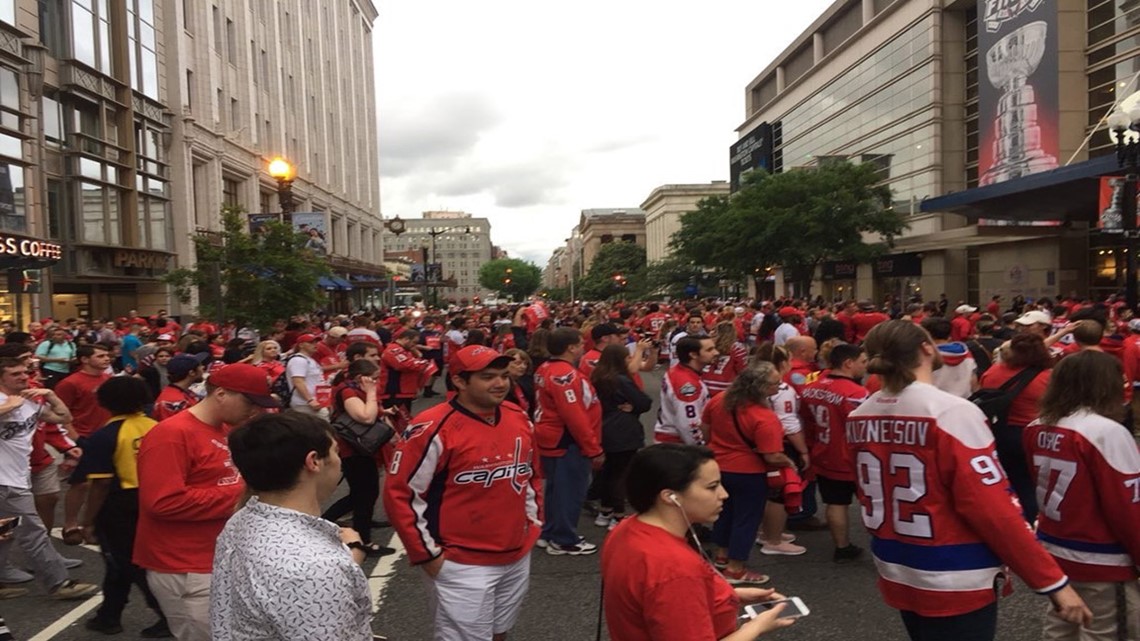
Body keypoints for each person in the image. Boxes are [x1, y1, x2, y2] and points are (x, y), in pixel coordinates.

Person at [847, 320, 1092, 640]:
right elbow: (992, 507)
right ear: (925, 349)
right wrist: (1052, 582)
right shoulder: (950, 412)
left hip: (897, 562)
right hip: (955, 570)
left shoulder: (859, 416)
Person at [384, 345, 542, 641]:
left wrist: (533, 522)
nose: (500, 383)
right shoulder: (432, 426)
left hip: (516, 552)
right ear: (459, 381)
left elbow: (531, 474)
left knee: (500, 632)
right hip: (460, 561)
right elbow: (400, 494)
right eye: (488, 377)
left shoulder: (516, 415)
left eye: (504, 376)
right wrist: (428, 555)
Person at [134, 363, 278, 641]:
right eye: (250, 402)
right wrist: (245, 494)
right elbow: (163, 502)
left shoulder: (225, 428)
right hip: (186, 565)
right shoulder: (171, 434)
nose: (256, 410)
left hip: (217, 557)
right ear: (221, 394)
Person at [600, 444, 796, 641]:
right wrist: (756, 627)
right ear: (670, 496)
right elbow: (672, 586)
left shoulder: (625, 528)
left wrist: (725, 596)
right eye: (712, 487)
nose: (723, 494)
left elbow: (655, 597)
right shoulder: (676, 568)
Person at [211, 412, 372, 640]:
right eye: (336, 451)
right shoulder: (317, 569)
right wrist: (348, 558)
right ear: (313, 461)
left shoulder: (241, 520)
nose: (340, 460)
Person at [1024, 350, 1140, 640]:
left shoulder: (1035, 427)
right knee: (1109, 632)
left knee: (1061, 627)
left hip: (1054, 545)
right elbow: (1127, 507)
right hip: (1103, 558)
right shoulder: (1106, 432)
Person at [73, 376, 170, 637]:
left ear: (104, 402)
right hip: (155, 498)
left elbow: (100, 484)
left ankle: (167, 614)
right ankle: (109, 615)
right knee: (123, 563)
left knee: (126, 562)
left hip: (121, 505)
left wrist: (87, 520)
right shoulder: (156, 426)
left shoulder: (106, 435)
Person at [0, 357, 98, 600]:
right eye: (16, 374)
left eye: (25, 372)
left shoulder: (29, 401)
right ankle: (59, 583)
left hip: (17, 478)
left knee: (5, 532)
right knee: (32, 531)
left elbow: (63, 418)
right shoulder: (7, 402)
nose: (24, 377)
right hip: (5, 481)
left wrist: (51, 395)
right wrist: (9, 406)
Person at [702, 365, 790, 584]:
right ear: (760, 388)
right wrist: (791, 463)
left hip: (718, 466)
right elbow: (772, 456)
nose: (778, 387)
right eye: (774, 384)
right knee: (746, 520)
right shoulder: (764, 417)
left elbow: (705, 429)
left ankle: (722, 555)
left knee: (724, 514)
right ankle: (736, 568)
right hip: (749, 473)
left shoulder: (719, 399)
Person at [533, 327, 603, 556]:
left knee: (555, 489)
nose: (583, 347)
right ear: (570, 348)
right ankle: (564, 539)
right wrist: (592, 448)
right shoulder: (564, 375)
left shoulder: (545, 368)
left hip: (552, 437)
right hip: (566, 440)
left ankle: (550, 531)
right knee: (569, 491)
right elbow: (574, 415)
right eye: (580, 344)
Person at [798, 343, 869, 562]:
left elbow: (805, 419)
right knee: (871, 503)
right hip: (852, 458)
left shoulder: (811, 385)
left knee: (835, 503)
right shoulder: (857, 393)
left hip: (823, 452)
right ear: (849, 363)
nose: (865, 367)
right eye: (863, 362)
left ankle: (842, 546)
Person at [319, 359, 392, 556]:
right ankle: (363, 541)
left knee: (362, 494)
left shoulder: (351, 388)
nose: (377, 382)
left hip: (361, 448)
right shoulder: (348, 391)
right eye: (374, 379)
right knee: (364, 494)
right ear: (362, 378)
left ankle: (325, 523)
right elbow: (365, 416)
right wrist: (371, 393)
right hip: (354, 449)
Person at [977, 333, 1052, 523]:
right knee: (1028, 485)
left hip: (997, 434)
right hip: (1031, 435)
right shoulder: (1047, 378)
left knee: (1003, 483)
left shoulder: (992, 372)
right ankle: (1029, 523)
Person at [590, 344, 651, 530]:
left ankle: (605, 510)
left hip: (603, 426)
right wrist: (634, 407)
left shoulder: (597, 377)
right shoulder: (622, 380)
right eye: (626, 357)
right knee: (621, 473)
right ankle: (617, 514)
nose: (629, 360)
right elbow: (644, 402)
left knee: (607, 472)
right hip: (623, 430)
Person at [654, 336, 717, 445]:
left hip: (671, 440)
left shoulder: (679, 370)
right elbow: (688, 424)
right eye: (709, 350)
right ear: (693, 355)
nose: (716, 352)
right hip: (677, 446)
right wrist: (700, 448)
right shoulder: (687, 384)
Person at [152, 353, 208, 422]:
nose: (203, 367)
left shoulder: (185, 392)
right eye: (199, 365)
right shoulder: (172, 401)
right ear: (192, 373)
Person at [703, 321, 749, 397]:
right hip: (725, 388)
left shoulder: (708, 345)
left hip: (706, 384)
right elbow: (742, 371)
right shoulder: (737, 348)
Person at [286, 334, 328, 417]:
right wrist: (310, 400)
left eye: (316, 342)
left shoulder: (310, 360)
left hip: (316, 401)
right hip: (305, 403)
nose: (315, 345)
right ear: (301, 345)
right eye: (311, 342)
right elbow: (298, 381)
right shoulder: (298, 360)